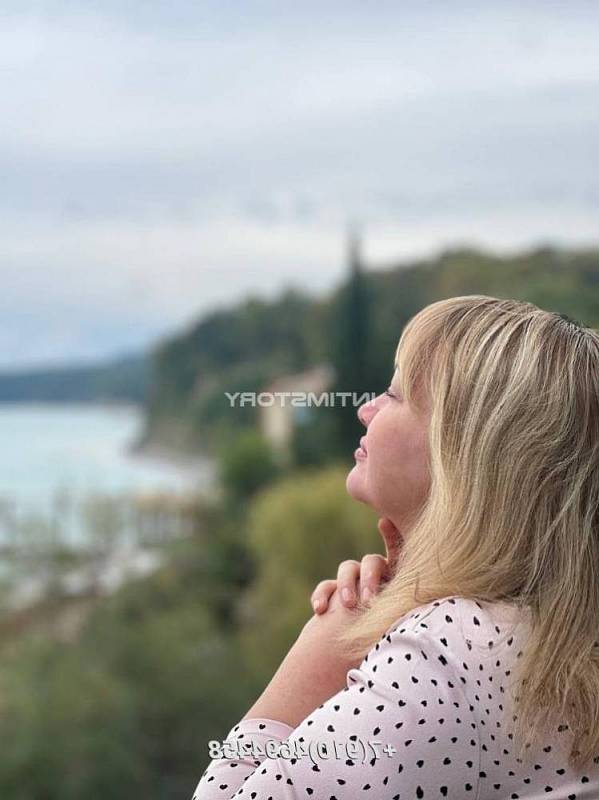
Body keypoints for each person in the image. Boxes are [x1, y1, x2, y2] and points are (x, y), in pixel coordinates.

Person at [192, 295, 599, 799]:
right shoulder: (548, 635)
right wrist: (408, 594)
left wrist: (320, 656)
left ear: (462, 451)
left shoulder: (448, 654)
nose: (366, 409)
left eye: (394, 394)